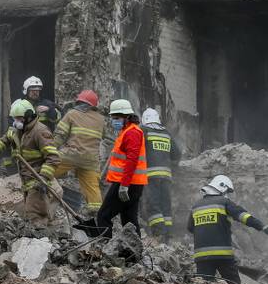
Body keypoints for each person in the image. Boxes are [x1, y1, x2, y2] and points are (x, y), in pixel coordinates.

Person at [188, 174, 268, 284]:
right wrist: (262, 226)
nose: (227, 195)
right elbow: (244, 217)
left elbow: (190, 228)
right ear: (222, 187)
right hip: (222, 255)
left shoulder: (196, 206)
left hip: (201, 257)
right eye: (227, 192)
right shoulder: (224, 202)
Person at [0, 99, 60, 225]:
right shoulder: (17, 130)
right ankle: (43, 229)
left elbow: (53, 157)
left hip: (37, 178)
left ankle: (40, 237)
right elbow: (5, 140)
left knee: (34, 212)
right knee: (30, 209)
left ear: (28, 116)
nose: (16, 122)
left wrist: (43, 177)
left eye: (19, 118)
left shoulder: (40, 131)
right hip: (26, 178)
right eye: (15, 118)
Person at [94, 99, 147, 238]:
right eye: (112, 118)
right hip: (133, 183)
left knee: (103, 216)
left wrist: (124, 185)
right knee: (129, 220)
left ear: (126, 117)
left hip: (126, 183)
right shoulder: (127, 131)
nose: (114, 121)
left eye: (116, 118)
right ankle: (133, 255)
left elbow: (132, 160)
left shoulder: (132, 132)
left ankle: (105, 250)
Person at [52, 89, 107, 214]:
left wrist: (50, 150)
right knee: (92, 187)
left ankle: (39, 190)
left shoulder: (72, 114)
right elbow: (103, 136)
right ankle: (96, 213)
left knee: (47, 170)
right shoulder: (100, 119)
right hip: (91, 160)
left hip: (71, 155)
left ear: (79, 102)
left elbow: (60, 135)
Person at [140, 107, 181, 240]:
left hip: (151, 175)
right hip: (166, 176)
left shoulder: (144, 130)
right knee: (165, 204)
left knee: (153, 204)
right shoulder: (166, 133)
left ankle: (159, 233)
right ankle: (168, 232)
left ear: (144, 120)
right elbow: (177, 154)